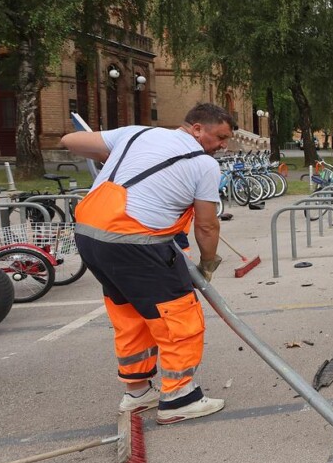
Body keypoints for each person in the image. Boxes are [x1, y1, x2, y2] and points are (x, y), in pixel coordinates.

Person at [61, 103, 235, 424]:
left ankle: (137, 392)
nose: (223, 145)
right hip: (135, 240)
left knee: (130, 315)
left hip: (90, 235)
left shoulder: (137, 134)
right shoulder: (203, 164)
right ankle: (179, 397)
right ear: (197, 129)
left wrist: (116, 156)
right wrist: (208, 265)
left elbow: (70, 140)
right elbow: (207, 226)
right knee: (178, 317)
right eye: (220, 137)